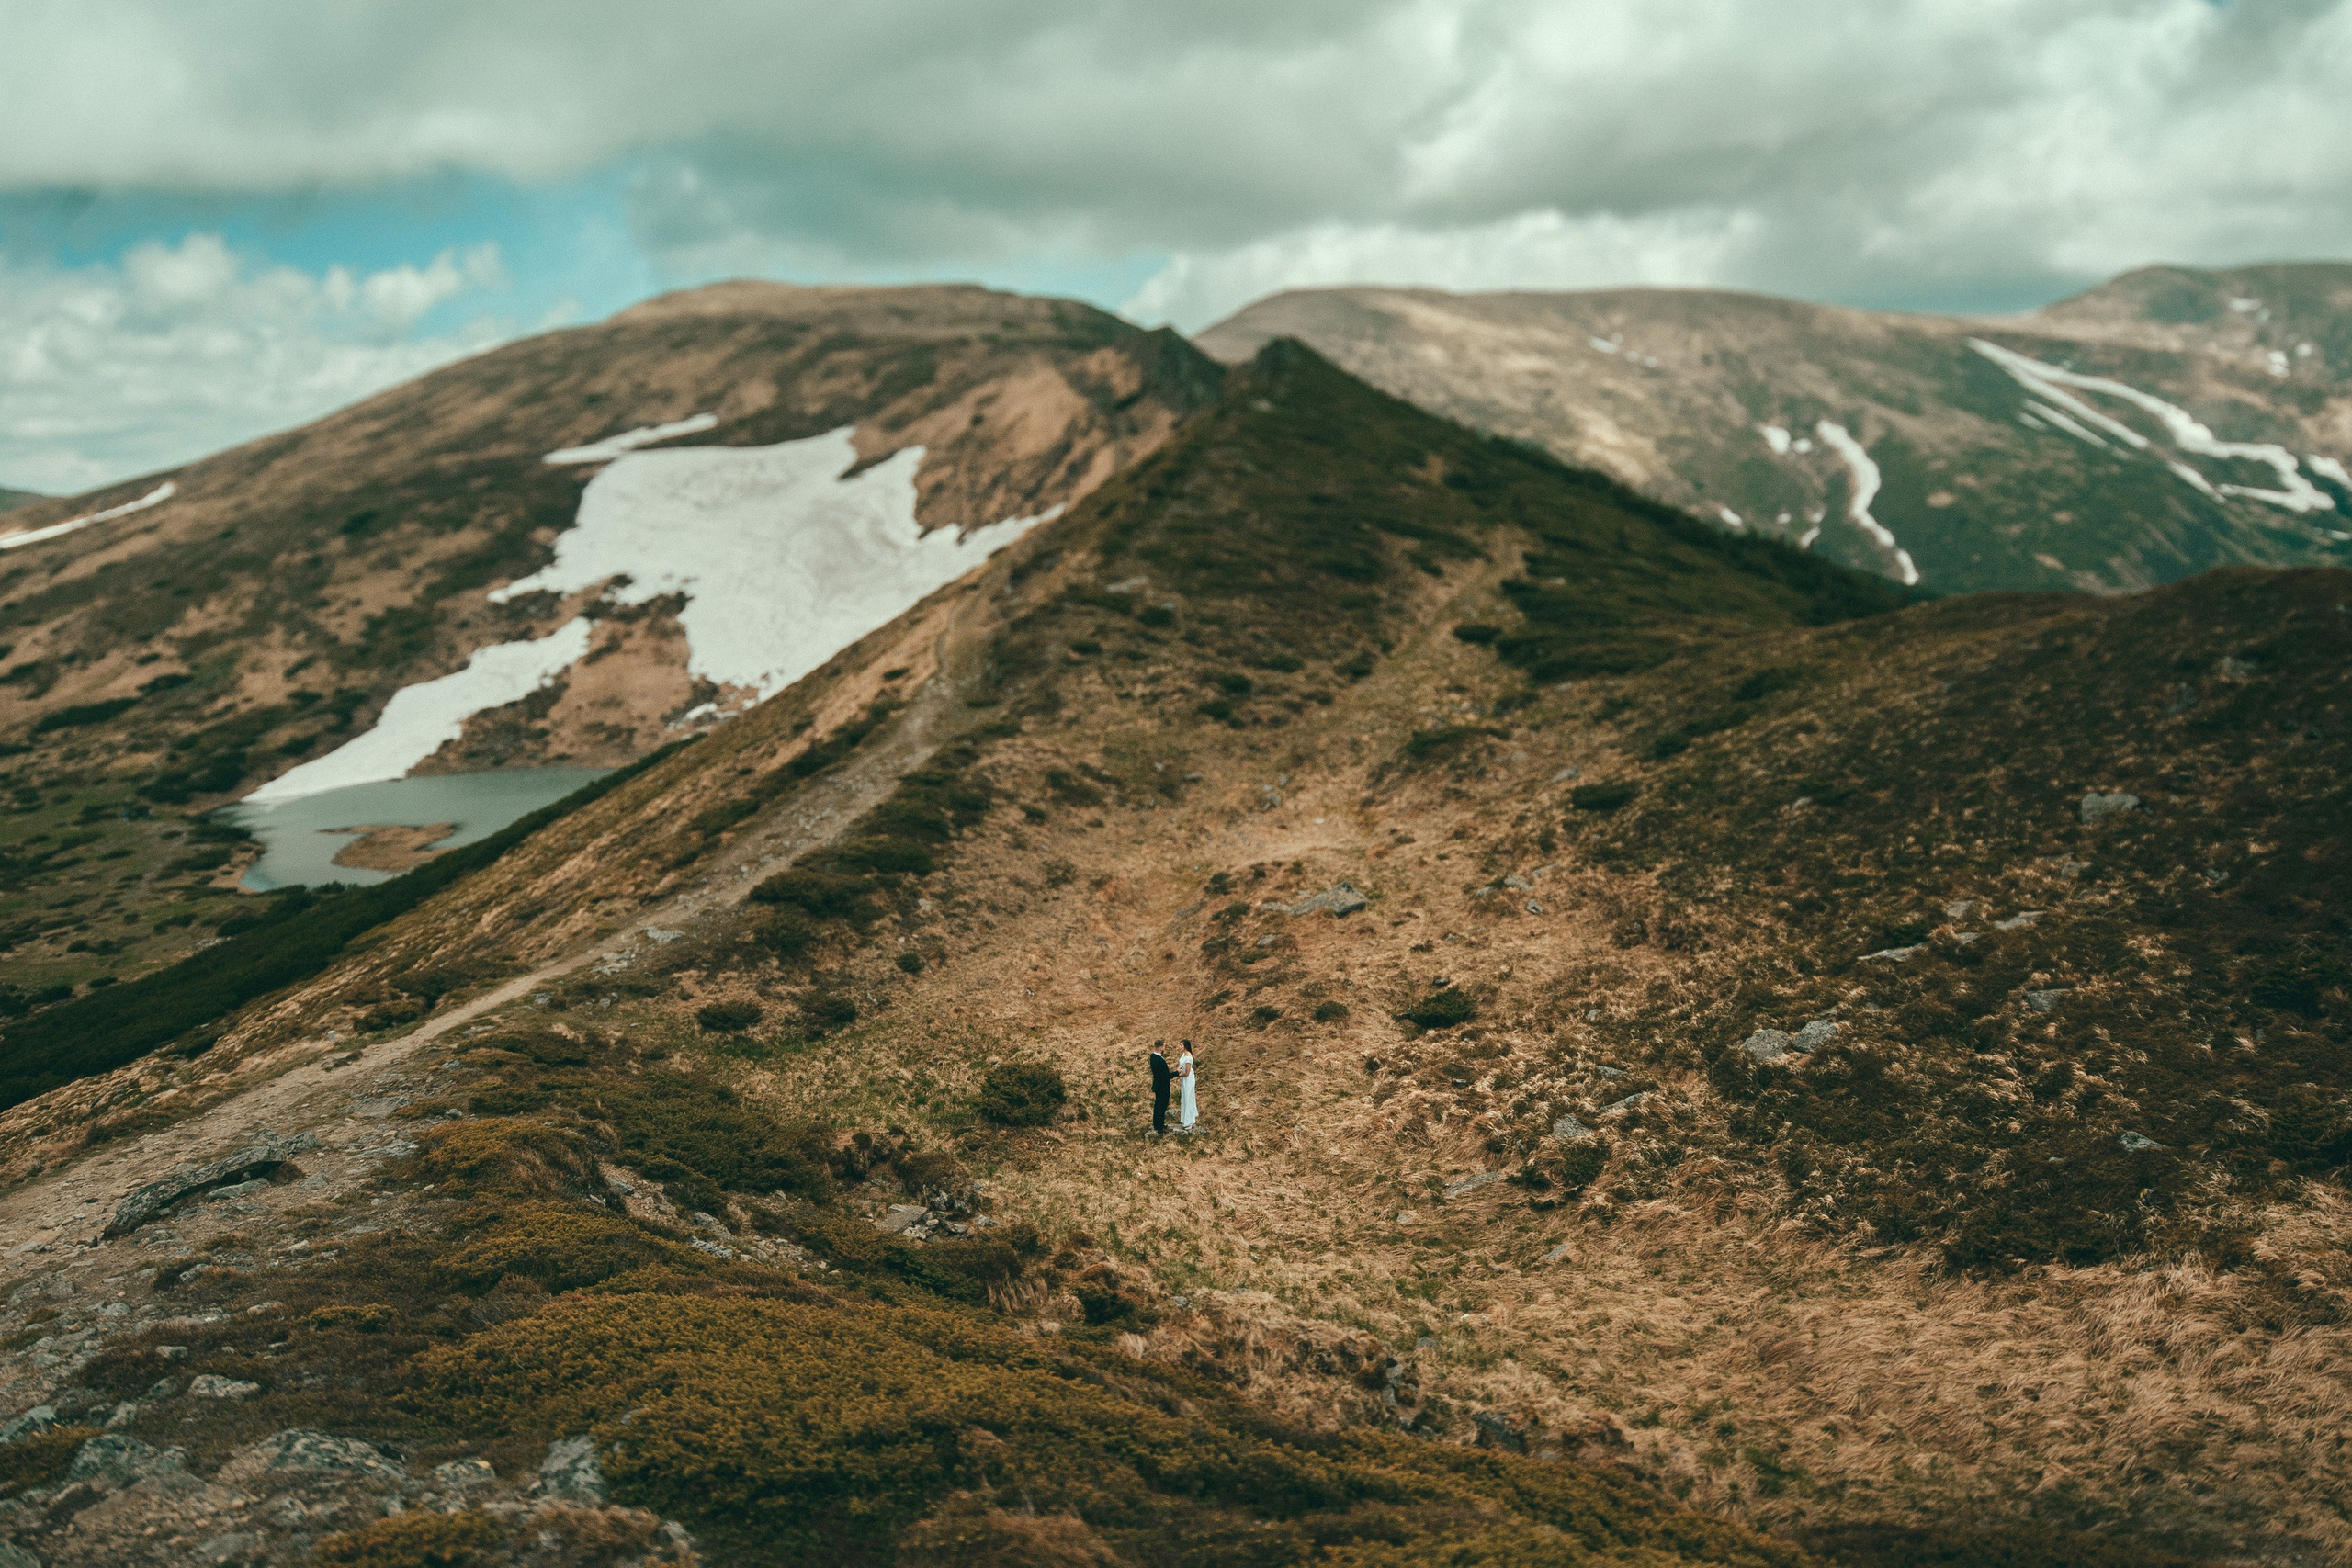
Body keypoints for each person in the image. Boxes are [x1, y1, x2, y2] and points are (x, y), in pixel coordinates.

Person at [1148, 1039, 1172, 1134]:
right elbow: (1166, 1075)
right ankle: (1160, 1127)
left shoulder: (1153, 1057)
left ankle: (1157, 1124)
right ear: (1161, 1048)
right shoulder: (1159, 1060)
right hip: (1162, 1086)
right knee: (1162, 1106)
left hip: (1158, 1085)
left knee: (1158, 1105)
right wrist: (1177, 1073)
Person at [1177, 1039, 1199, 1132]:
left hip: (1188, 1079)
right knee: (1185, 1098)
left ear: (1185, 1046)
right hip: (1184, 1079)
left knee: (1189, 1098)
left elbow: (1187, 1072)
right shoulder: (1184, 1055)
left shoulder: (1189, 1057)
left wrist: (1178, 1075)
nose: (1179, 1047)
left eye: (1181, 1045)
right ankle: (1191, 1119)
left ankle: (1189, 1122)